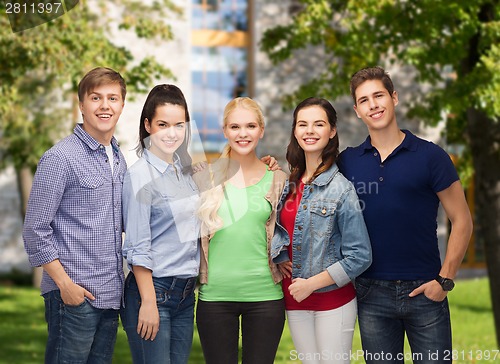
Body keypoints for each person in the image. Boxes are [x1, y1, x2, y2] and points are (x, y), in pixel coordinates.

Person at [337, 66, 473, 363]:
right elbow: (310, 177)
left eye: (379, 95)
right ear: (357, 111)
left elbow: (462, 219)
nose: (373, 105)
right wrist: (272, 166)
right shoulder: (347, 161)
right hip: (370, 294)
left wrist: (445, 280)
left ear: (394, 98)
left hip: (426, 291)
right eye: (364, 100)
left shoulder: (431, 156)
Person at [22, 67, 127, 363]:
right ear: (81, 105)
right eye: (95, 98)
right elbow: (35, 229)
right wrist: (65, 286)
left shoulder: (117, 159)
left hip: (110, 296)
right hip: (73, 297)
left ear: (121, 105)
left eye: (112, 98)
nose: (105, 105)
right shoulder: (60, 158)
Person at [271, 97, 372, 364]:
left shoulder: (341, 188)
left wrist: (311, 285)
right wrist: (280, 258)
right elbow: (281, 230)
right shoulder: (289, 182)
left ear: (332, 131)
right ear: (294, 130)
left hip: (332, 302)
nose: (310, 131)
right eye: (302, 124)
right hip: (294, 300)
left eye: (319, 124)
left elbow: (360, 255)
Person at [195, 97, 287, 364]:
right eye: (235, 127)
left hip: (265, 298)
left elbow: (290, 229)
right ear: (225, 131)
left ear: (261, 130)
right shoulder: (205, 178)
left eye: (250, 126)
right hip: (215, 298)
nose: (243, 133)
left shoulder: (279, 179)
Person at [120, 84, 200, 364]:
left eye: (179, 125)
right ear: (148, 125)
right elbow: (138, 245)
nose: (172, 133)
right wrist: (149, 303)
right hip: (154, 292)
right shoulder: (140, 176)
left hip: (185, 295)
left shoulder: (184, 172)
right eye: (163, 124)